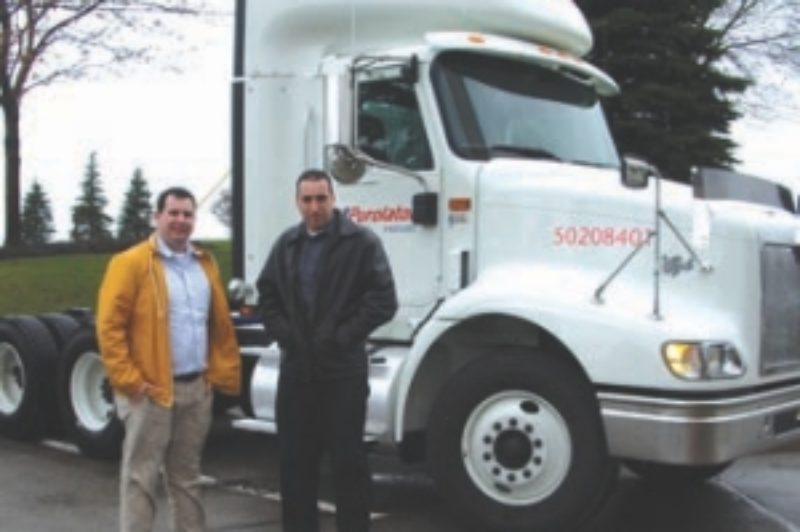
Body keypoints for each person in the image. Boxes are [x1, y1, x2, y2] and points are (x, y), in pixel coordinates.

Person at [257, 168, 398, 532]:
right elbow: (267, 296)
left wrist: (341, 337)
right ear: (297, 202)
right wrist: (286, 335)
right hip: (297, 374)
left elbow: (384, 300)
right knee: (295, 466)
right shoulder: (287, 244)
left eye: (321, 198)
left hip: (342, 375)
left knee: (349, 465)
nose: (315, 207)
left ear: (333, 199)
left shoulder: (361, 242)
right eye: (307, 199)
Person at [96, 186, 241, 532]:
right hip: (150, 393)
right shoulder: (130, 263)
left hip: (196, 389)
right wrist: (130, 381)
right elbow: (109, 327)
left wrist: (213, 378)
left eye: (187, 214)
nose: (180, 220)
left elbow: (218, 326)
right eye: (173, 213)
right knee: (140, 479)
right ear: (157, 217)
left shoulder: (204, 265)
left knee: (187, 479)